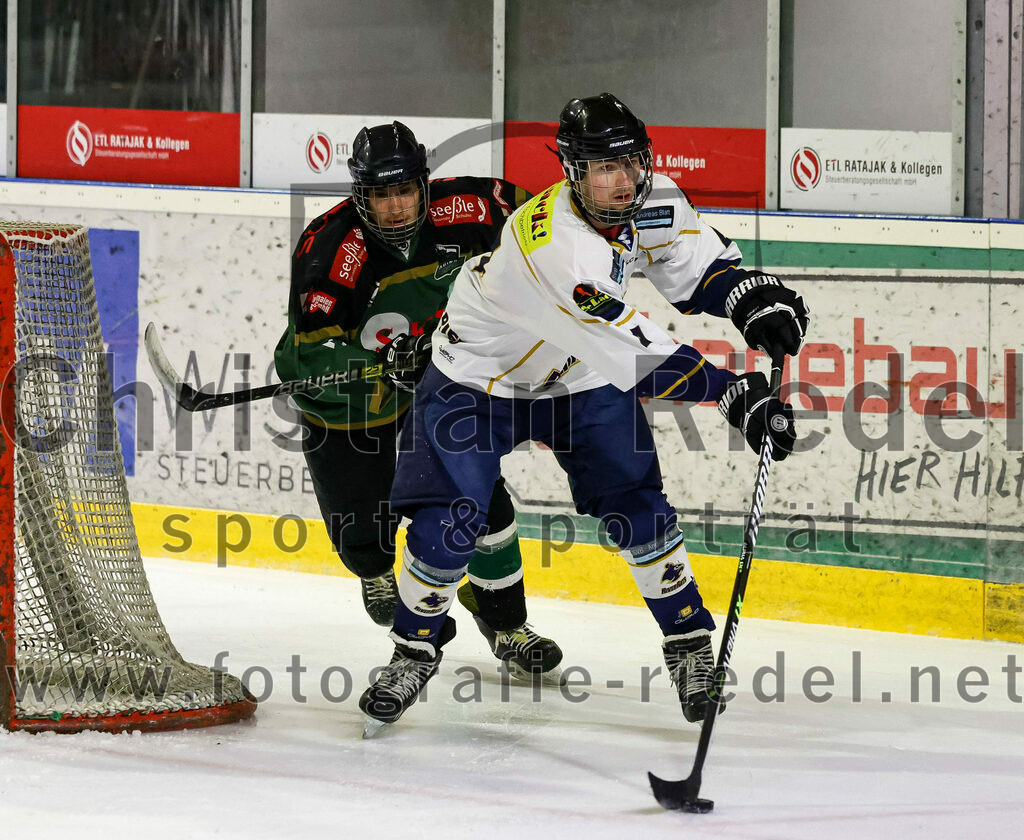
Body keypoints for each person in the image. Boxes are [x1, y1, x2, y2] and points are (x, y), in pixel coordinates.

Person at [359, 93, 809, 729]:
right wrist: (734, 392)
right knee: (448, 524)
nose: (623, 182)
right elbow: (637, 352)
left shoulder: (649, 200)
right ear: (573, 171)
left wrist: (750, 299)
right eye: (604, 168)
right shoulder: (555, 246)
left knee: (637, 506)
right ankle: (413, 649)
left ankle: (688, 647)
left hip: (580, 374)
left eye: (632, 164)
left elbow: (697, 265)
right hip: (479, 381)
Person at [274, 121, 564, 681]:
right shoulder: (331, 248)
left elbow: (546, 222)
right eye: (380, 194)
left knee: (485, 508)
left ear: (423, 183)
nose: (395, 206)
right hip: (346, 409)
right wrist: (378, 363)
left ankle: (506, 625)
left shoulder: (470, 207)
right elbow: (310, 352)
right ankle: (379, 573)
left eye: (404, 189)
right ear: (360, 193)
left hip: (434, 390)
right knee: (366, 541)